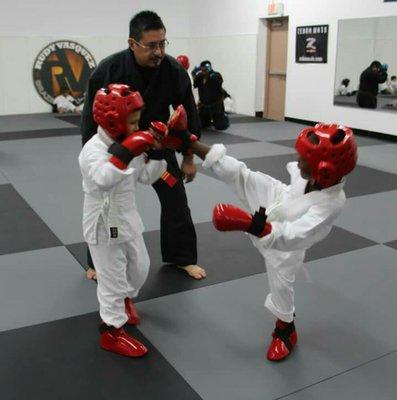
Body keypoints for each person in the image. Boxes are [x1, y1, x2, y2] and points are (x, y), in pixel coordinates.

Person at [161, 119, 358, 361]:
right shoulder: (319, 174)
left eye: (304, 159)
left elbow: (296, 235)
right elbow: (292, 175)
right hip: (281, 197)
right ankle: (191, 142)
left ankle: (286, 331)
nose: (297, 161)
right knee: (245, 176)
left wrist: (251, 224)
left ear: (324, 171)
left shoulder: (332, 203)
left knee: (282, 285)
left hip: (288, 241)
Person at [81, 10, 206, 281]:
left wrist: (187, 158)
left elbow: (188, 116)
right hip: (119, 153)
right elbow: (90, 118)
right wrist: (92, 159)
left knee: (176, 201)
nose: (159, 51)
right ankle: (95, 262)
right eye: (151, 45)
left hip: (158, 151)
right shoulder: (109, 69)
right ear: (132, 43)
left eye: (163, 43)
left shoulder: (173, 70)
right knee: (106, 205)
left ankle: (181, 257)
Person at [79, 83, 166, 357]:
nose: (137, 126)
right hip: (103, 223)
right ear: (112, 121)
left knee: (140, 266)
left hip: (128, 217)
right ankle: (111, 331)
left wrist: (158, 152)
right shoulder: (92, 151)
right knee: (110, 279)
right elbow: (103, 180)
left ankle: (126, 298)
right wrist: (129, 149)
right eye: (132, 121)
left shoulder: (132, 140)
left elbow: (145, 177)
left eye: (137, 121)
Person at [193, 60, 230, 130]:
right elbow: (194, 84)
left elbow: (218, 83)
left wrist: (210, 74)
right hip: (204, 106)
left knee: (220, 126)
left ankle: (224, 117)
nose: (203, 71)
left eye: (205, 69)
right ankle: (208, 120)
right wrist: (195, 74)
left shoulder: (216, 75)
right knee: (202, 125)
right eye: (202, 69)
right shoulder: (200, 77)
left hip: (215, 105)